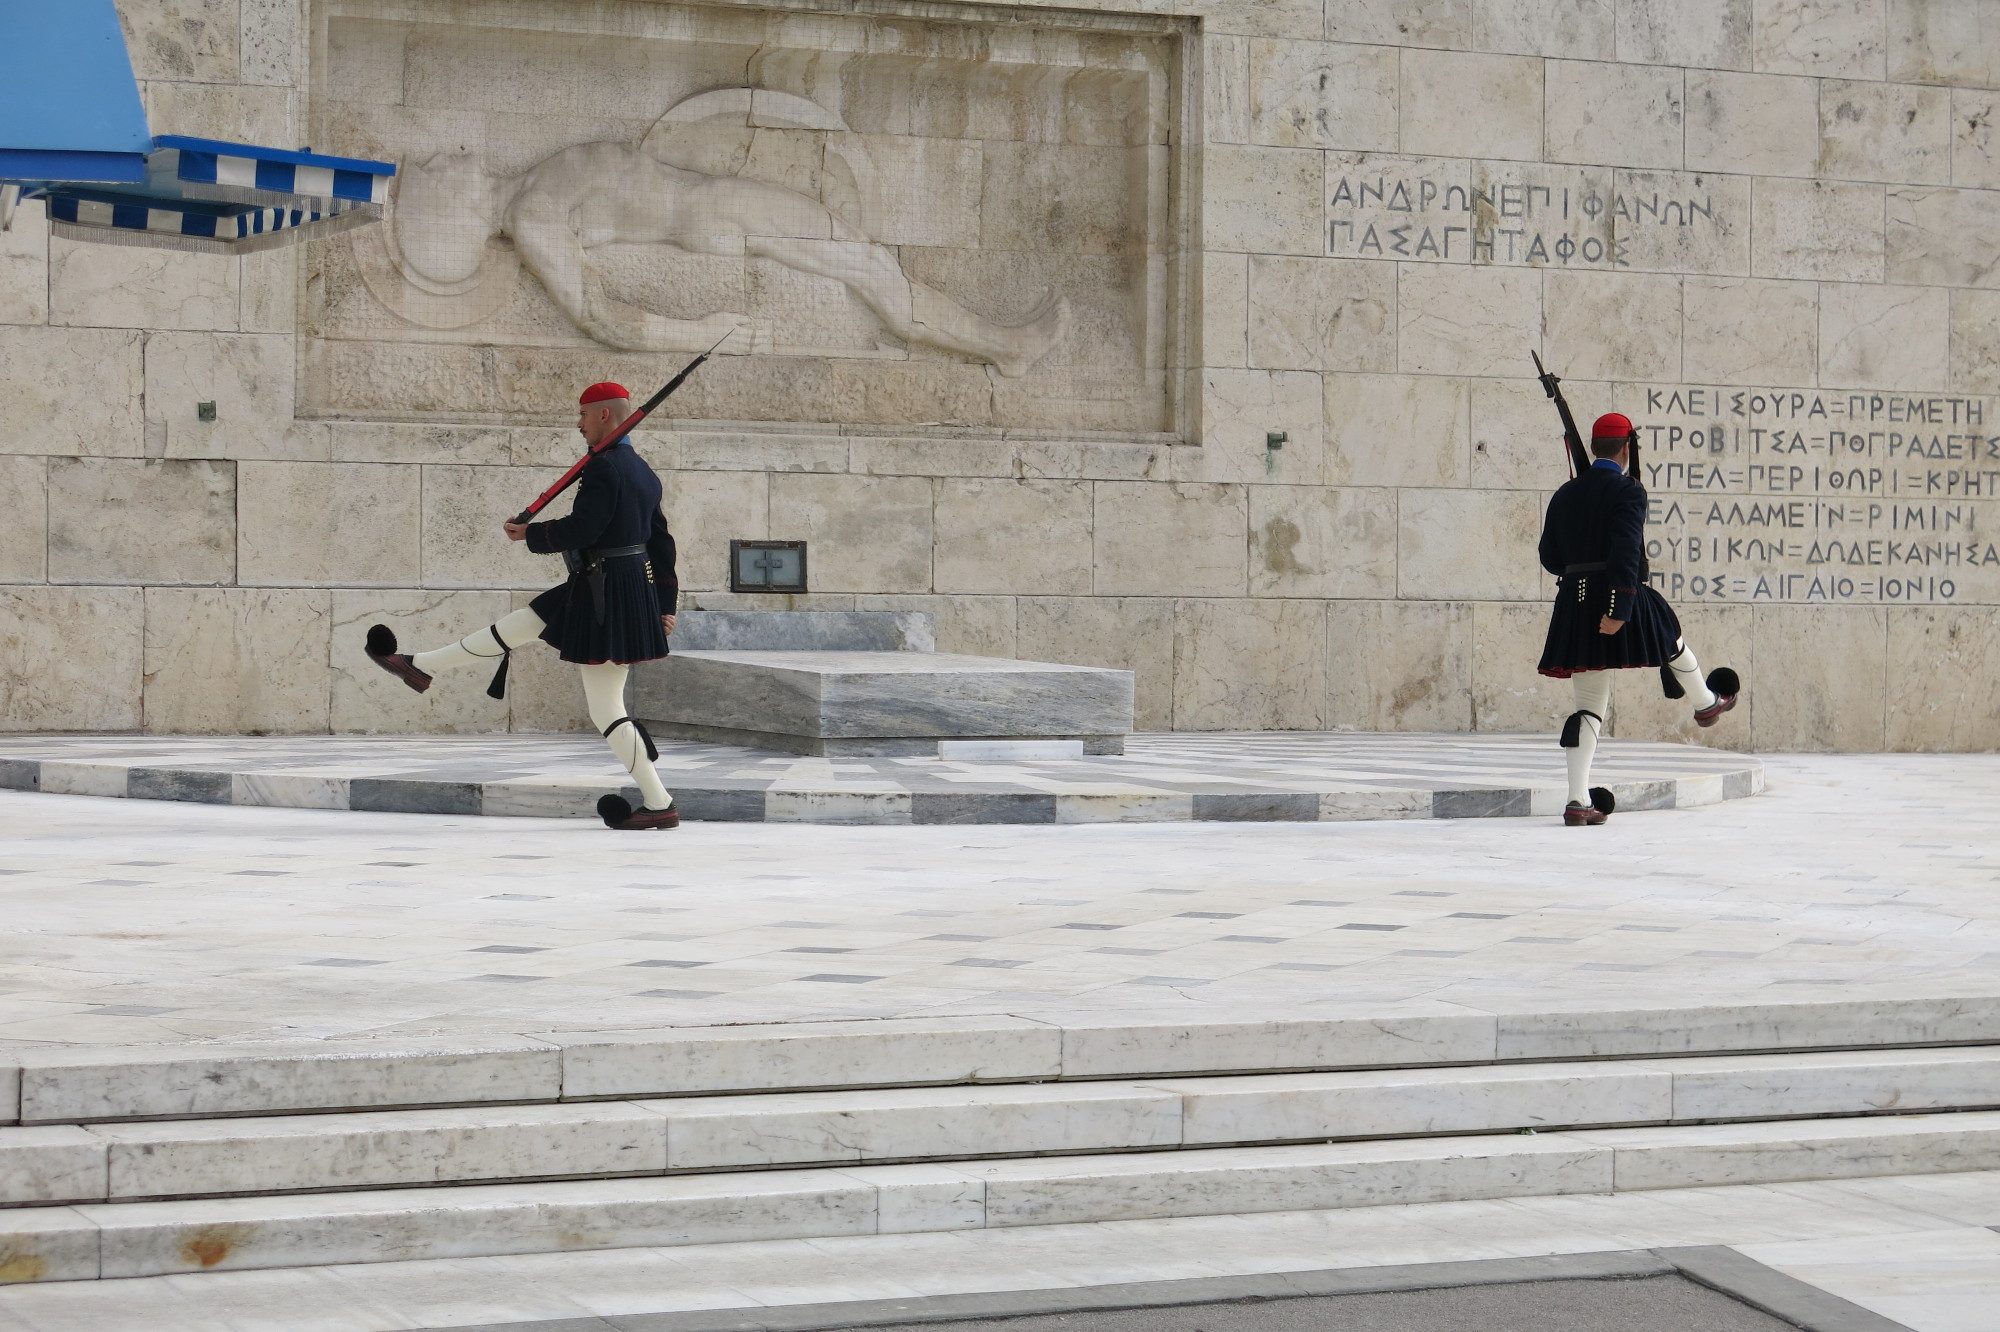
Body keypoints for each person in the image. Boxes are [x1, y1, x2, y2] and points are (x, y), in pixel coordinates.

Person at [364, 382, 681, 830]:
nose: (579, 424)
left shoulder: (606, 469)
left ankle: (659, 802)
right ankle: (419, 666)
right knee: (520, 625)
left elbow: (585, 528)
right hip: (614, 588)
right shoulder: (643, 471)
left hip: (604, 594)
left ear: (606, 416)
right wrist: (665, 603)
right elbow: (662, 544)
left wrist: (530, 535)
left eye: (584, 416)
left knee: (607, 709)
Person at [1537, 413, 1741, 827]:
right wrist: (1619, 609)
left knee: (1588, 706)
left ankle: (1578, 802)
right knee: (1669, 635)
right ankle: (1705, 704)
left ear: (1593, 447)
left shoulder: (1564, 493)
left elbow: (1549, 557)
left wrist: (1580, 565)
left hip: (1574, 602)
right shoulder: (1629, 491)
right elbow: (1627, 550)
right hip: (1617, 590)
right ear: (1627, 448)